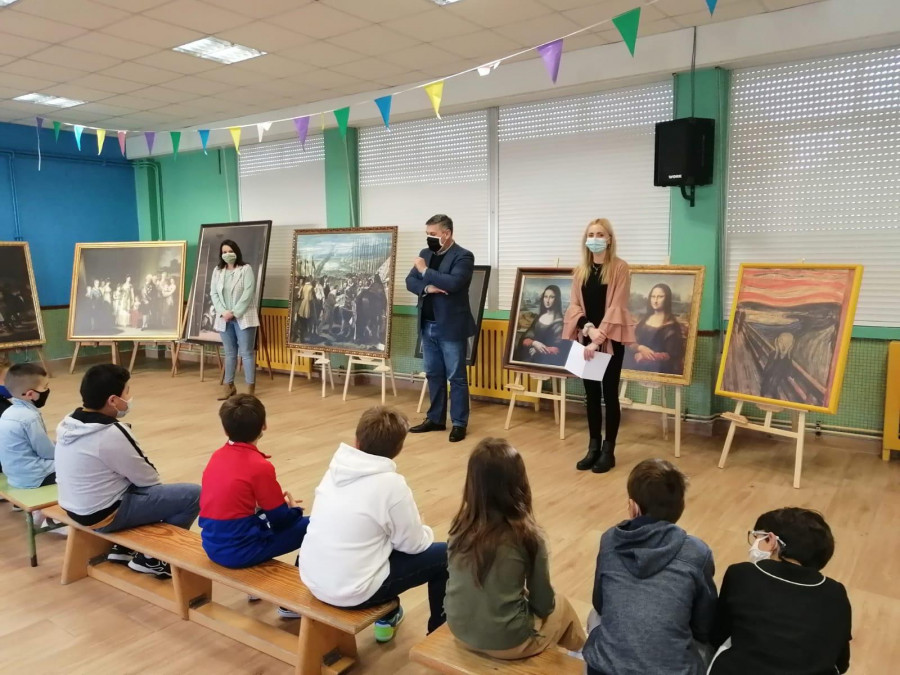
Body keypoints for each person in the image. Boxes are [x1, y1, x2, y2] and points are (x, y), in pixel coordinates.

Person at [298, 406, 448, 643]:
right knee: (446, 556)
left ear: (356, 441)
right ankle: (439, 637)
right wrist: (423, 527)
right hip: (355, 592)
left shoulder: (334, 469)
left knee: (375, 539)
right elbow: (413, 544)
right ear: (398, 450)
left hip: (313, 580)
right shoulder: (392, 485)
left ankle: (389, 614)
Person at [55, 364, 201, 578]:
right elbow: (148, 478)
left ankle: (122, 549)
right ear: (113, 400)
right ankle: (154, 558)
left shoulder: (69, 422)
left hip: (72, 506)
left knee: (143, 491)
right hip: (103, 515)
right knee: (193, 495)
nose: (130, 398)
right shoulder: (111, 432)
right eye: (127, 392)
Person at [445, 438, 586, 659]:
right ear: (519, 482)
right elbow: (543, 604)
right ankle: (585, 656)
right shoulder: (528, 535)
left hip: (458, 630)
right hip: (508, 642)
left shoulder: (460, 525)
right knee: (563, 605)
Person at [583, 459, 717, 675]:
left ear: (633, 507)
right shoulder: (697, 552)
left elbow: (600, 604)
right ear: (680, 507)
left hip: (604, 670)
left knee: (593, 616)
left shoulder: (610, 540)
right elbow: (704, 624)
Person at [709, 508, 852, 675]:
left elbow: (717, 634)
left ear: (770, 540)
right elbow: (841, 664)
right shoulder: (836, 593)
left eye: (756, 537)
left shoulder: (742, 573)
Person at [199, 394, 308, 569]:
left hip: (212, 545)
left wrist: (268, 506)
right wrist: (294, 510)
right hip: (240, 552)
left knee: (262, 518)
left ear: (226, 430)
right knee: (315, 526)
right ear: (264, 425)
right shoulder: (259, 466)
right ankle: (304, 579)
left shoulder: (217, 456)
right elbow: (281, 520)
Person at [563, 218, 636, 473]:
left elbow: (617, 306)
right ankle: (592, 447)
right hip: (587, 339)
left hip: (610, 343)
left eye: (600, 234)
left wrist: (599, 338)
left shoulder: (619, 268)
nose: (594, 237)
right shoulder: (580, 270)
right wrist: (588, 329)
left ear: (609, 239)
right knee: (591, 396)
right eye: (591, 233)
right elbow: (574, 306)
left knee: (609, 394)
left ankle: (608, 450)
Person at [405, 214, 476, 443]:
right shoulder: (426, 254)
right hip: (428, 324)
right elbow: (410, 281)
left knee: (456, 376)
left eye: (433, 234)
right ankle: (435, 419)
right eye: (427, 234)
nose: (429, 238)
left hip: (451, 326)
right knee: (434, 373)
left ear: (447, 234)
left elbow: (454, 283)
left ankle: (459, 423)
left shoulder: (463, 256)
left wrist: (426, 273)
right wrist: (428, 289)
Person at [209, 240, 259, 400]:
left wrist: (235, 312)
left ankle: (250, 388)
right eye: (224, 252)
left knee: (246, 353)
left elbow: (248, 293)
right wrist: (224, 312)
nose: (227, 254)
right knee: (230, 353)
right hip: (224, 318)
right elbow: (213, 294)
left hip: (243, 317)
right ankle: (229, 386)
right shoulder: (217, 271)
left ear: (236, 252)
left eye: (230, 251)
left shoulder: (246, 269)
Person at [0, 363, 56, 489]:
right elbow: (46, 452)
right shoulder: (30, 417)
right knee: (77, 464)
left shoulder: (8, 412)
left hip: (15, 476)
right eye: (45, 387)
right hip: (35, 476)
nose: (47, 390)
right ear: (30, 394)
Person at [624, 283, 685, 374]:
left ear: (667, 299)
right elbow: (631, 341)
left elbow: (672, 354)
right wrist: (640, 348)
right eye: (653, 296)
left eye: (660, 297)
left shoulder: (672, 326)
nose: (655, 300)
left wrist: (647, 356)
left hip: (659, 367)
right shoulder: (644, 320)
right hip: (636, 361)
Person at [514, 284, 566, 367]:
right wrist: (534, 343)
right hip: (531, 356)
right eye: (545, 297)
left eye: (551, 297)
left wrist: (539, 349)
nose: (548, 300)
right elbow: (525, 338)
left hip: (547, 362)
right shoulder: (539, 317)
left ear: (557, 299)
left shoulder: (559, 322)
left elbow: (558, 349)